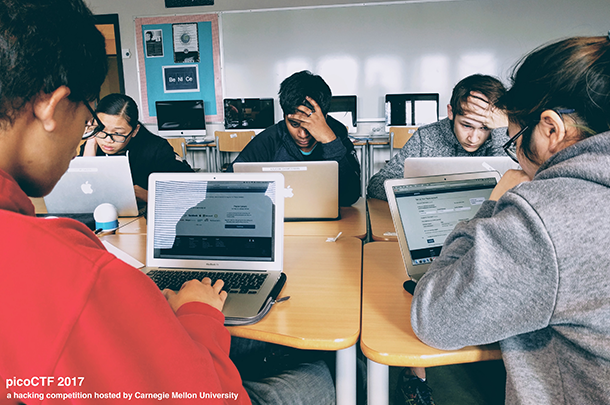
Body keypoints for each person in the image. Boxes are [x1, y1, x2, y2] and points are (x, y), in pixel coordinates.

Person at [0, 1, 335, 404]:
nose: (88, 137)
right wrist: (196, 314)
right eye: (90, 119)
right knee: (315, 367)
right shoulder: (77, 271)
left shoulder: (46, 253)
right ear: (52, 107)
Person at [411, 35, 610, 404]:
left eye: (514, 136)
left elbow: (433, 319)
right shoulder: (426, 137)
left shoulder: (548, 221)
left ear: (551, 129)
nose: (515, 151)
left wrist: (495, 203)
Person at [227, 70, 361, 207]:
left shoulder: (337, 134)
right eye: (294, 124)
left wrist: (330, 142)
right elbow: (229, 184)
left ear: (324, 118)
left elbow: (351, 197)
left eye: (310, 126)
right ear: (284, 117)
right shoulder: (270, 138)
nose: (303, 135)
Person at [367, 74, 510, 200]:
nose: (473, 138)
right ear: (451, 112)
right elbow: (377, 184)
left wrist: (502, 131)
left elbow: (514, 189)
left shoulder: (503, 136)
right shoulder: (426, 137)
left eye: (485, 128)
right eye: (466, 125)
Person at [81, 93, 193, 203]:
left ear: (135, 130)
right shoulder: (92, 145)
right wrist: (90, 144)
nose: (108, 140)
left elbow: (190, 190)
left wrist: (147, 195)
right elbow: (82, 189)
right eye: (101, 130)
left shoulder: (157, 149)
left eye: (118, 134)